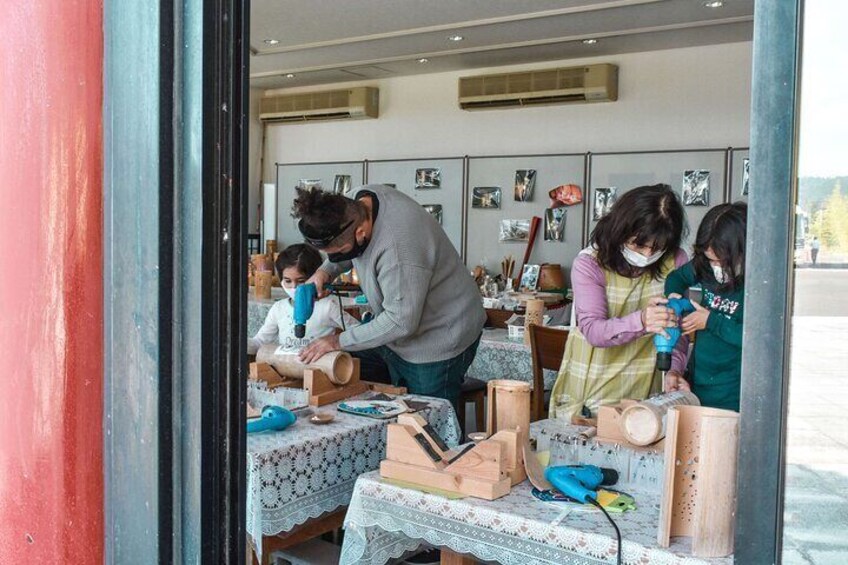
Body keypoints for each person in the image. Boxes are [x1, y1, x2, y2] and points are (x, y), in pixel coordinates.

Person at [291, 184, 485, 408]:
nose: (337, 258)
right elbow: (349, 247)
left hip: (439, 336)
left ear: (360, 233)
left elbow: (400, 322)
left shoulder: (399, 250)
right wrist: (324, 272)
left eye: (340, 252)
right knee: (359, 386)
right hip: (399, 328)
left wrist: (336, 341)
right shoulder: (356, 203)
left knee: (428, 422)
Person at [549, 184, 689, 420]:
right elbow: (593, 330)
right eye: (638, 245)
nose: (646, 255)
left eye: (657, 247)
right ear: (620, 229)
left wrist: (674, 369)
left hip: (648, 393)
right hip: (594, 393)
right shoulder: (589, 264)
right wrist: (643, 320)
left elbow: (678, 330)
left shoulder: (676, 261)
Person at [664, 202, 747, 412]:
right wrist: (673, 298)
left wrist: (710, 321)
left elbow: (754, 339)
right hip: (699, 382)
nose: (716, 267)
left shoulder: (756, 287)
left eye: (722, 261)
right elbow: (676, 278)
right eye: (711, 260)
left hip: (734, 392)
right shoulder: (703, 267)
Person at [247, 244, 358, 355]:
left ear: (316, 278)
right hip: (287, 368)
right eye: (288, 281)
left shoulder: (327, 307)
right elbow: (259, 342)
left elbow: (357, 332)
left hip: (320, 369)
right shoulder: (278, 309)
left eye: (301, 281)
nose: (294, 287)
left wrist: (336, 342)